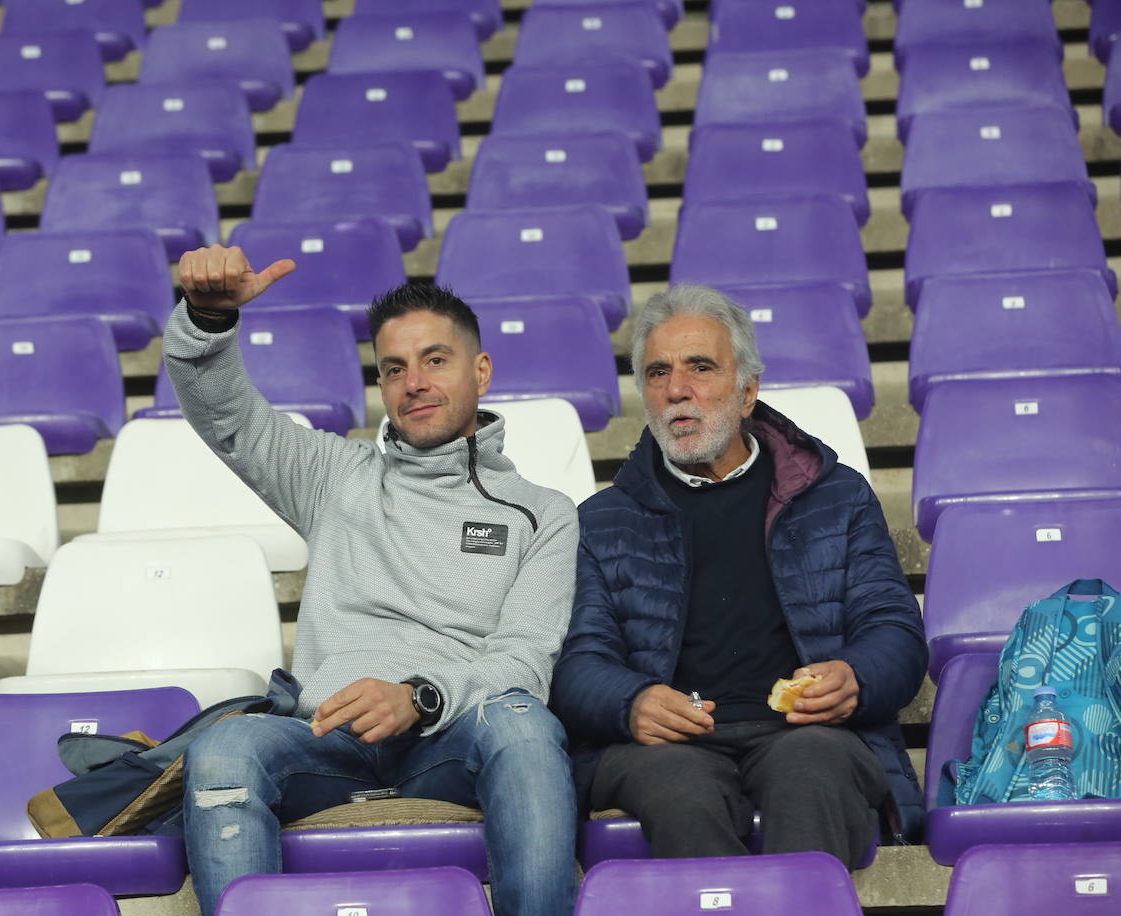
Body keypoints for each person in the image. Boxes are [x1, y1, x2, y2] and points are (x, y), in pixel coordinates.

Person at [165, 245, 580, 915]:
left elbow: (527, 656)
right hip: (323, 739)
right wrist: (208, 319)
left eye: (435, 360)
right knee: (224, 750)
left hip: (453, 741)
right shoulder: (334, 477)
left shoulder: (544, 513)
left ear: (481, 370)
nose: (413, 382)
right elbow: (227, 418)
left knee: (525, 725)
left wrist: (420, 695)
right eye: (394, 368)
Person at [550, 285, 927, 868]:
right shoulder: (603, 523)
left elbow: (896, 632)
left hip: (810, 733)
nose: (677, 389)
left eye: (700, 367)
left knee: (811, 768)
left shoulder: (837, 497)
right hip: (666, 747)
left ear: (748, 392)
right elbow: (576, 663)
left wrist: (855, 676)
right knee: (680, 788)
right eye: (657, 373)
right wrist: (631, 701)